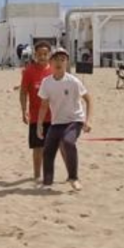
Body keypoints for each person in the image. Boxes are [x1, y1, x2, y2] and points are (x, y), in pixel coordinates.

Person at [37, 48, 94, 191]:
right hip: (57, 122)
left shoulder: (73, 81)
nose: (59, 62)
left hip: (75, 119)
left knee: (68, 141)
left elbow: (89, 99)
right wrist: (39, 125)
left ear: (67, 63)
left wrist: (88, 121)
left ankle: (73, 178)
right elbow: (44, 105)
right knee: (48, 150)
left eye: (62, 59)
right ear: (50, 62)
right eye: (56, 59)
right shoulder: (46, 82)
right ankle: (47, 181)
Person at [18, 41, 53, 182]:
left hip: (54, 116)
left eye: (45, 54)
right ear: (35, 55)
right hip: (35, 116)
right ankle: (37, 175)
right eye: (40, 54)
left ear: (49, 54)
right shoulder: (29, 71)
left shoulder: (54, 70)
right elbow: (23, 92)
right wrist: (23, 111)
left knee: (53, 147)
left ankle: (52, 175)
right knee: (37, 147)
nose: (42, 57)